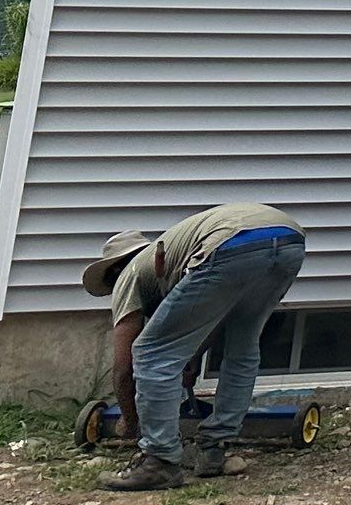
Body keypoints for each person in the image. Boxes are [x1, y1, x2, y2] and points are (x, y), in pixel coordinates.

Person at [82, 202, 309, 490]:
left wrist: (130, 421)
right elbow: (210, 323)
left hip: (231, 242)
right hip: (288, 239)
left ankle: (159, 461)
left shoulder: (130, 273)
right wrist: (189, 358)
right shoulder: (171, 258)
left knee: (149, 352)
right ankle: (213, 449)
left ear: (116, 268)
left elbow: (125, 365)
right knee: (242, 345)